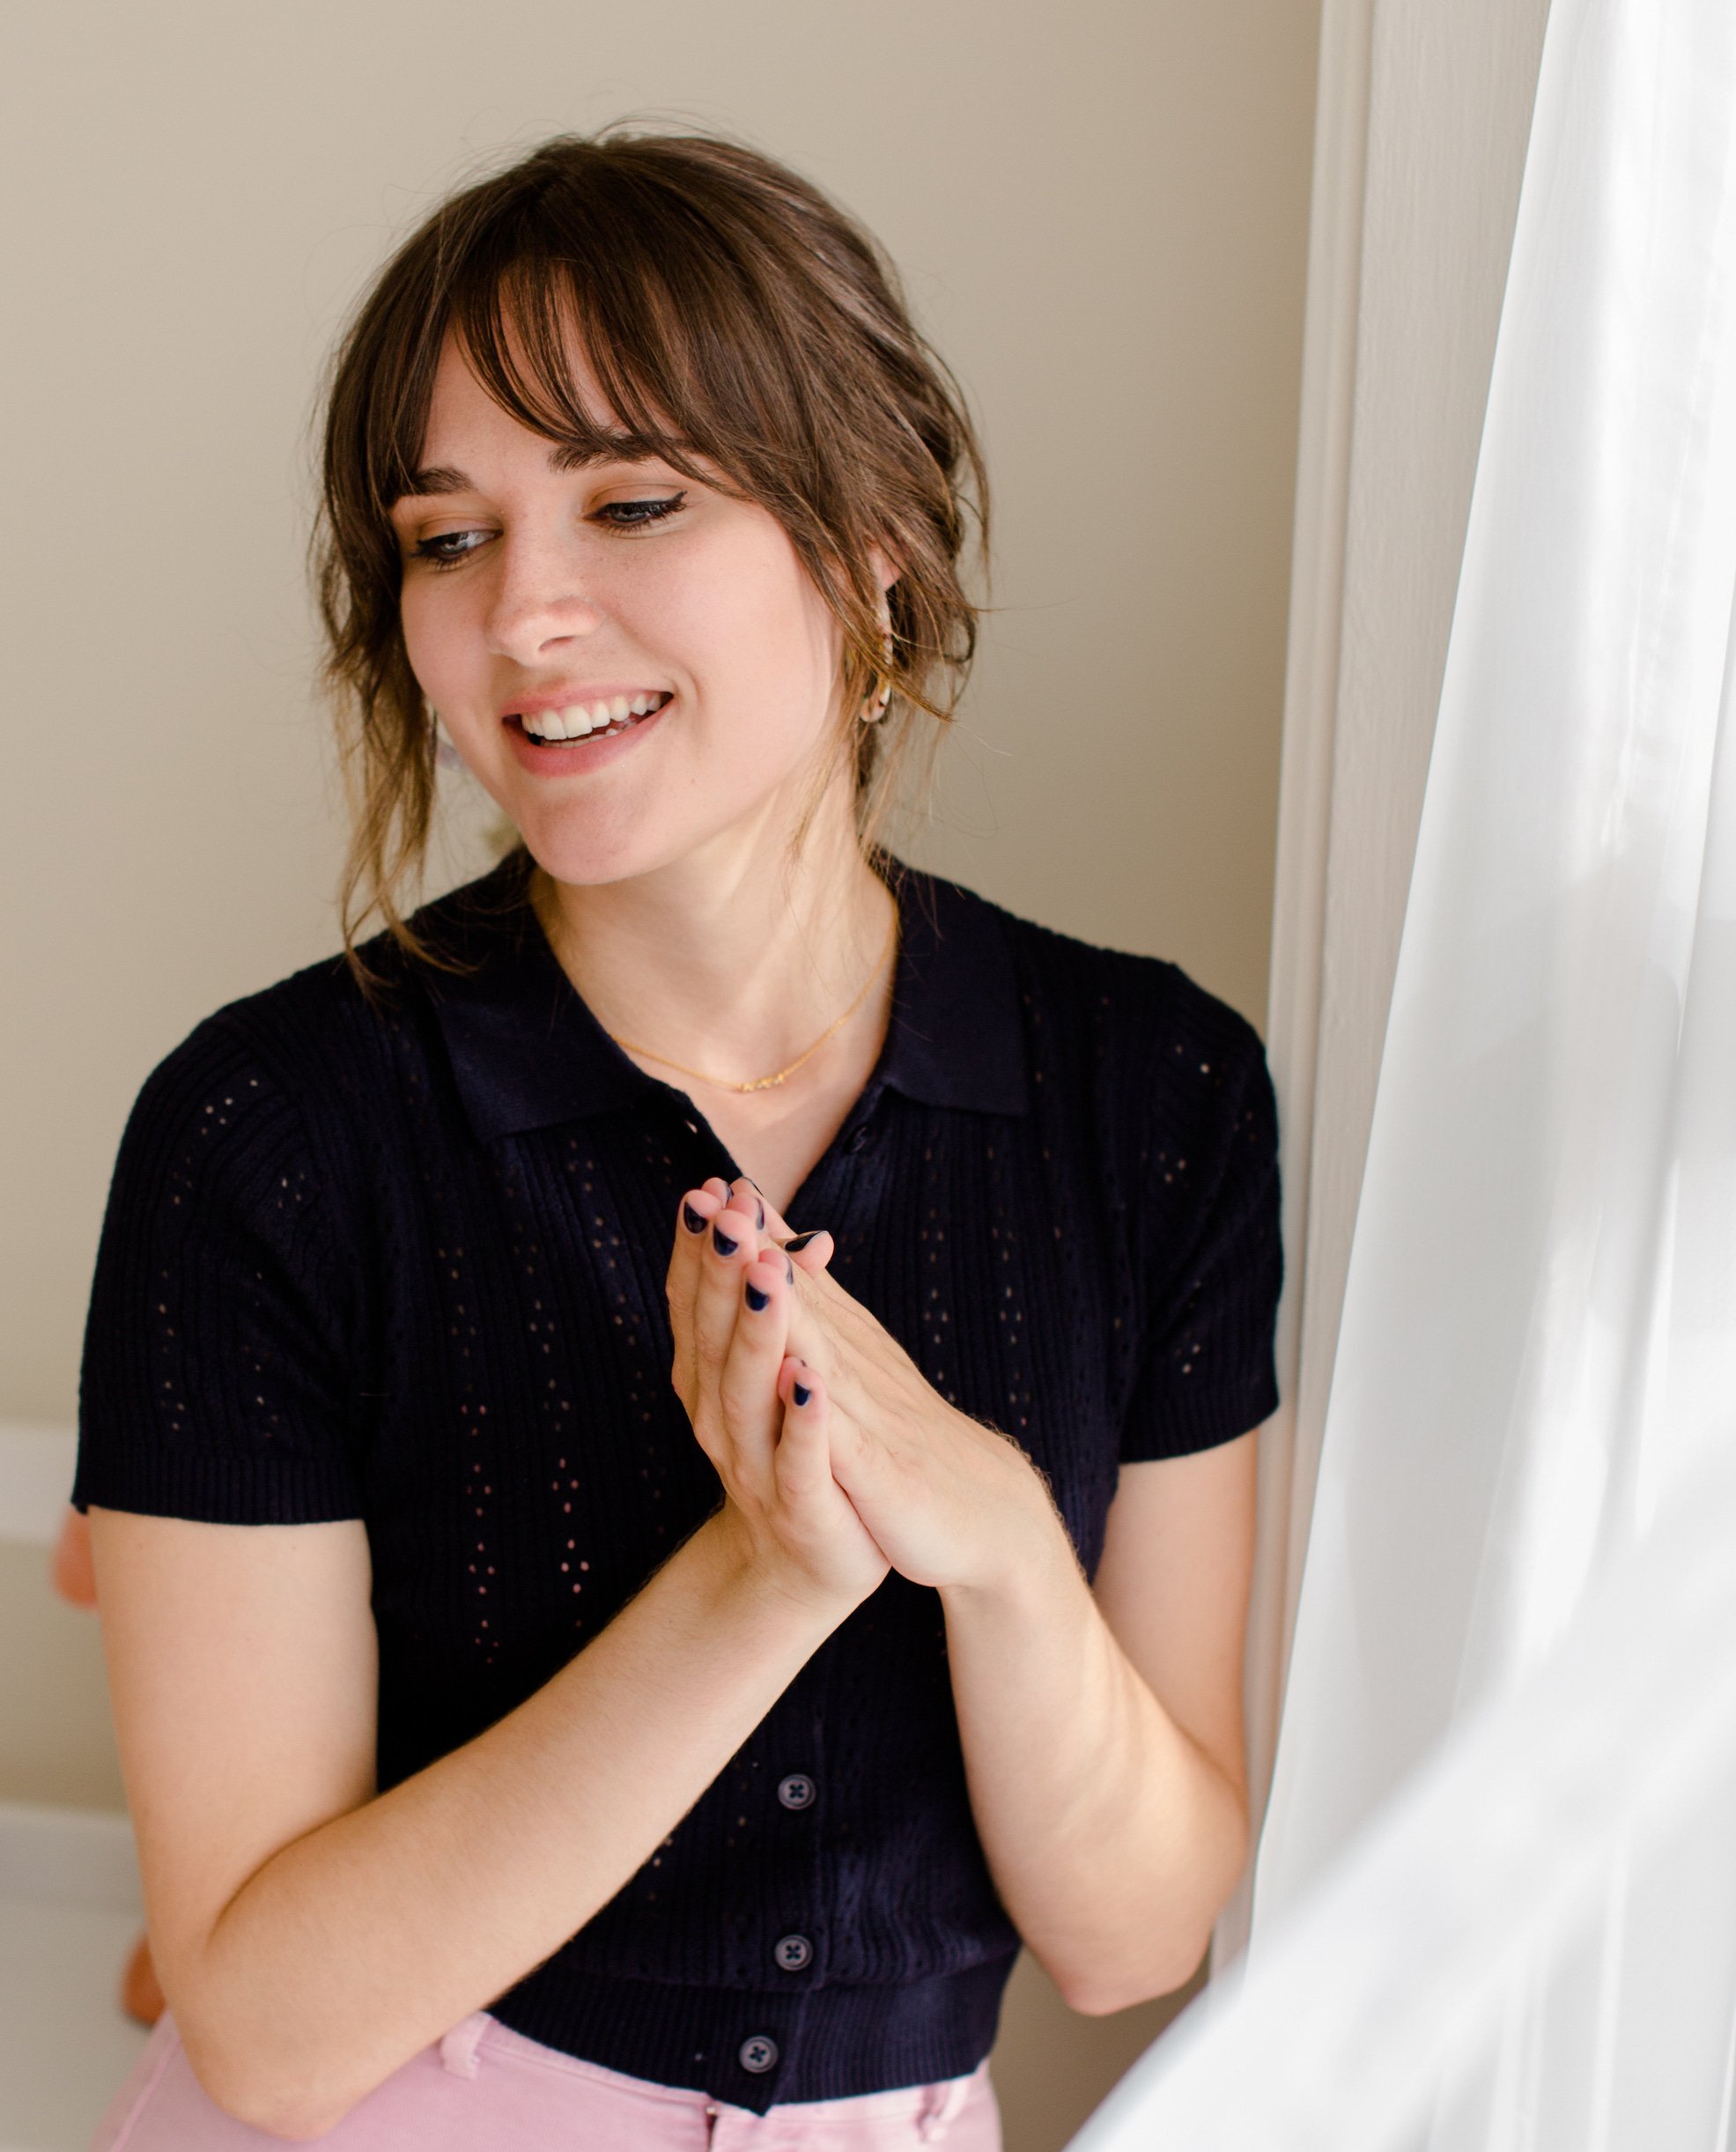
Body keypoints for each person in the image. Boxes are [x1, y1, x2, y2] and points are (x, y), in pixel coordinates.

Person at [73, 128, 1282, 2150]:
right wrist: (764, 1575)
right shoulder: (266, 1134)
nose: (523, 614)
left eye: (631, 502)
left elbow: (1132, 1930)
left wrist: (993, 1537)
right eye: (447, 540)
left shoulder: (1151, 1095)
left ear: (870, 541)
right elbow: (268, 2031)